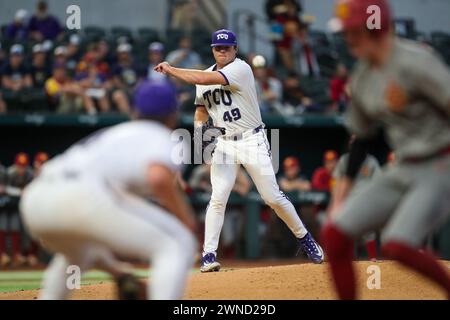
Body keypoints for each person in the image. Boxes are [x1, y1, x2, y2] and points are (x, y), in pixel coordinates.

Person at [154, 29, 324, 272]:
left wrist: (171, 70)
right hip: (224, 142)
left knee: (271, 197)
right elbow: (201, 110)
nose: (222, 51)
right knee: (218, 197)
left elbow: (202, 80)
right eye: (218, 47)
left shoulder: (241, 69)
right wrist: (202, 135)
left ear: (235, 49)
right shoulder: (203, 75)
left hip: (251, 139)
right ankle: (208, 255)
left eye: (227, 47)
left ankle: (305, 238)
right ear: (213, 49)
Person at [20, 80, 197, 300]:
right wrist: (186, 219)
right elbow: (159, 177)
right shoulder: (158, 135)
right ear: (173, 115)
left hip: (36, 200)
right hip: (80, 195)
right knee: (177, 243)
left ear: (134, 111)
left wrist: (119, 273)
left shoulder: (114, 133)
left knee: (77, 253)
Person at [321, 0, 450, 300]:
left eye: (353, 32)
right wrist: (338, 201)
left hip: (441, 163)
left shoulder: (417, 62)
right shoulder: (363, 77)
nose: (347, 40)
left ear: (374, 30)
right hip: (404, 166)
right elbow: (362, 140)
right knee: (335, 233)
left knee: (397, 244)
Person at [332, 136, 381, 261]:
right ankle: (350, 259)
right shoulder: (344, 160)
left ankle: (373, 258)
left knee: (368, 229)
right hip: (348, 199)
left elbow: (378, 182)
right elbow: (336, 180)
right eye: (352, 142)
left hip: (366, 200)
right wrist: (337, 198)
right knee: (347, 229)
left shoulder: (371, 161)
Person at [4, 153, 34, 267]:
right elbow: (4, 188)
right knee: (7, 228)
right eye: (19, 165)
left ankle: (22, 256)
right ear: (16, 164)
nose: (21, 168)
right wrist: (19, 192)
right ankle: (7, 255)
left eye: (23, 166)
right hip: (8, 204)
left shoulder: (29, 173)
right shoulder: (10, 172)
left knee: (27, 231)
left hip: (25, 205)